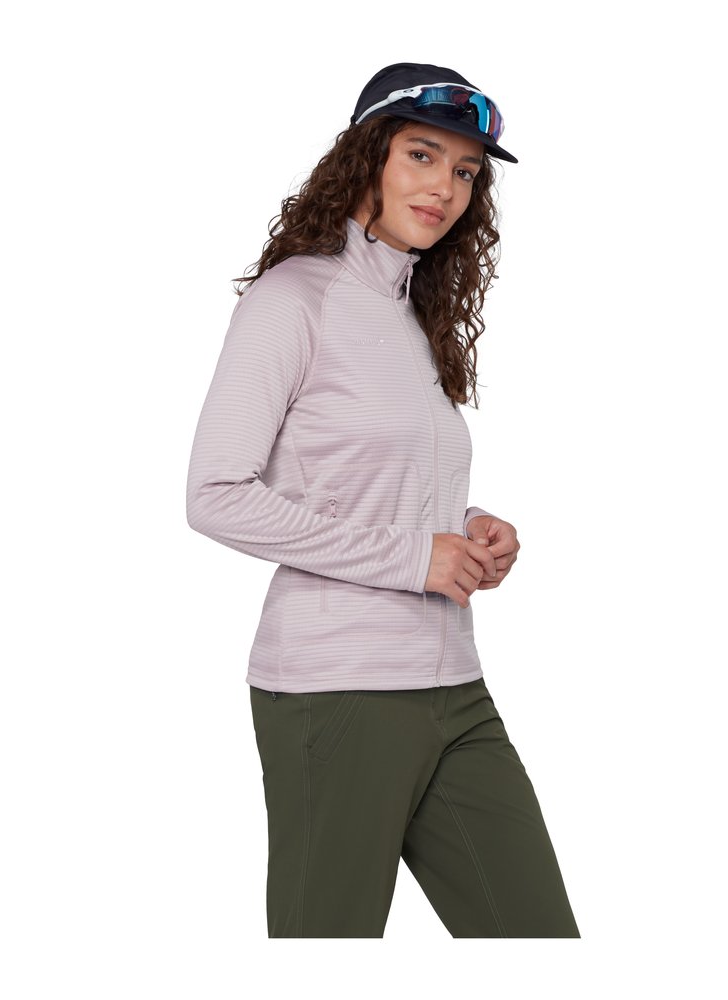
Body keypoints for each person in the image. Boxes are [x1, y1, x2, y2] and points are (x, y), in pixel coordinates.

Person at [186, 62, 581, 938]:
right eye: (422, 155)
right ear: (366, 156)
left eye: (466, 171)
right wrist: (415, 557)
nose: (446, 187)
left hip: (454, 689)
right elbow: (215, 494)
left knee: (540, 941)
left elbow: (370, 483)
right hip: (338, 691)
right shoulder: (294, 300)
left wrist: (468, 531)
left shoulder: (409, 314)